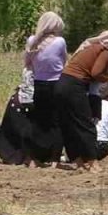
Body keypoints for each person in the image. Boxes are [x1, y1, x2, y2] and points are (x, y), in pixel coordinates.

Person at [55, 30, 108, 172]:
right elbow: (96, 72)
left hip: (61, 83)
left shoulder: (91, 47)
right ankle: (92, 162)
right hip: (74, 85)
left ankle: (77, 160)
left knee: (69, 124)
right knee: (86, 124)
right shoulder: (107, 51)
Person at [23, 12, 68, 165]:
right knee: (57, 121)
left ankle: (35, 158)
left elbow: (27, 63)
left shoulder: (32, 41)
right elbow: (64, 62)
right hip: (57, 83)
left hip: (39, 83)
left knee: (38, 121)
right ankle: (55, 159)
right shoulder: (60, 42)